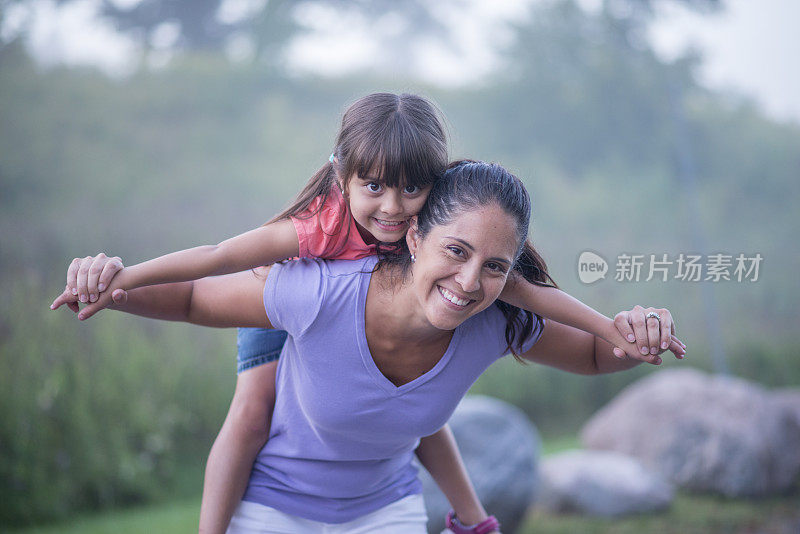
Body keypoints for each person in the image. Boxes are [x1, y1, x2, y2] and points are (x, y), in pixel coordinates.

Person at [52, 160, 685, 533]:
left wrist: (635, 332)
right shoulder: (321, 292)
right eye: (456, 252)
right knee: (251, 406)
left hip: (387, 513)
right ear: (415, 238)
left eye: (494, 266)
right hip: (274, 512)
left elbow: (600, 355)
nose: (469, 283)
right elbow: (194, 298)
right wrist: (113, 285)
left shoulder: (497, 320)